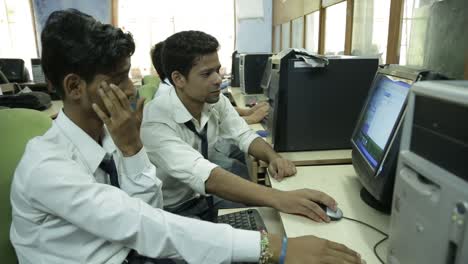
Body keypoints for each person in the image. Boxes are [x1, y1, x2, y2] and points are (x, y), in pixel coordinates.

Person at [10, 9, 364, 264]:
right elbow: (145, 224)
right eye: (118, 78)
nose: (130, 88)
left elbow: (146, 215)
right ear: (74, 87)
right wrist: (275, 249)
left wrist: (132, 150)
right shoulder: (47, 166)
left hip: (142, 249)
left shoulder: (112, 136)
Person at [141, 30, 340, 222]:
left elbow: (244, 135)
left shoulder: (212, 100)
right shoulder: (155, 121)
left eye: (217, 70)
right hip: (172, 209)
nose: (218, 79)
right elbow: (205, 175)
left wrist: (274, 157)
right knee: (242, 243)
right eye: (206, 73)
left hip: (203, 197)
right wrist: (279, 198)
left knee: (264, 219)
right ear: (178, 79)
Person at [150, 41, 270, 125]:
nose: (217, 79)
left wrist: (247, 112)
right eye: (206, 73)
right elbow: (217, 124)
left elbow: (216, 110)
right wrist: (251, 119)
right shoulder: (167, 96)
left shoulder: (178, 86)